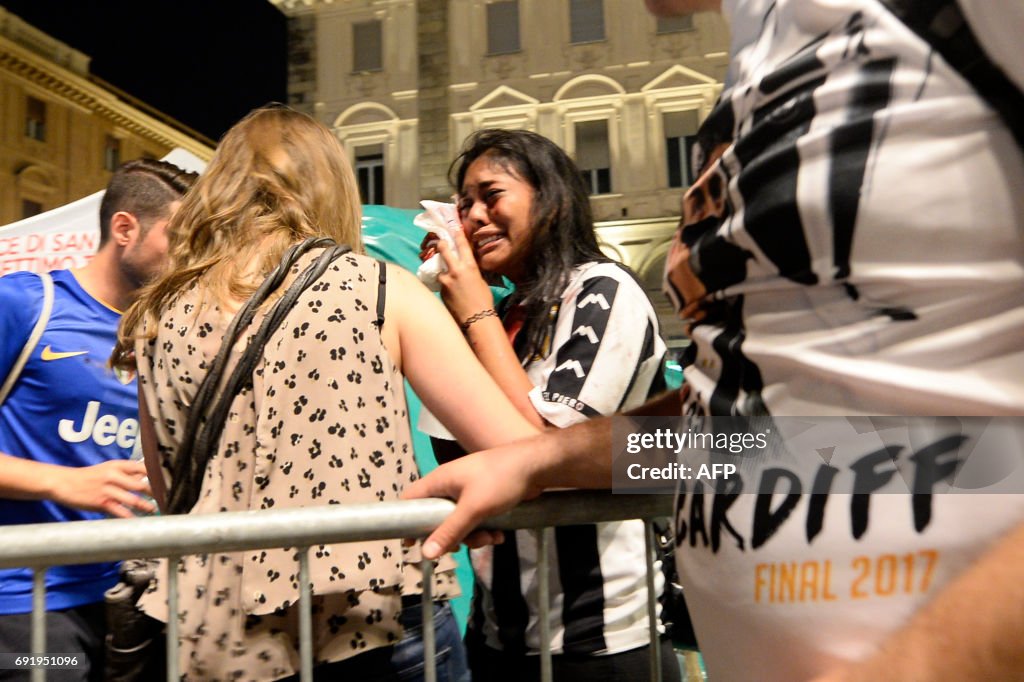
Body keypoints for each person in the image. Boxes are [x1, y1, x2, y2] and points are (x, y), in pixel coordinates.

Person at [405, 0, 1024, 680]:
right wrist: (540, 463)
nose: (471, 216)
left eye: (491, 194)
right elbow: (743, 428)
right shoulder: (760, 48)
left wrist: (916, 660)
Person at [113, 105, 539, 681]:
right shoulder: (378, 289)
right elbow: (523, 450)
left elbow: (173, 494)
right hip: (374, 610)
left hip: (222, 629)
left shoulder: (158, 313)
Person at [421, 128, 676, 681]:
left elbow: (543, 455)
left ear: (551, 198)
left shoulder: (602, 290)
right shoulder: (502, 311)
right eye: (464, 205)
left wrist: (476, 316)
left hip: (600, 642)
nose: (473, 218)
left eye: (492, 195)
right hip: (495, 634)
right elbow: (454, 451)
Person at [0, 158, 197, 681]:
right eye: (176, 238)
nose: (187, 257)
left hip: (133, 597)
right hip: (26, 604)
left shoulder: (168, 333)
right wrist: (64, 482)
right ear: (125, 229)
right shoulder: (25, 303)